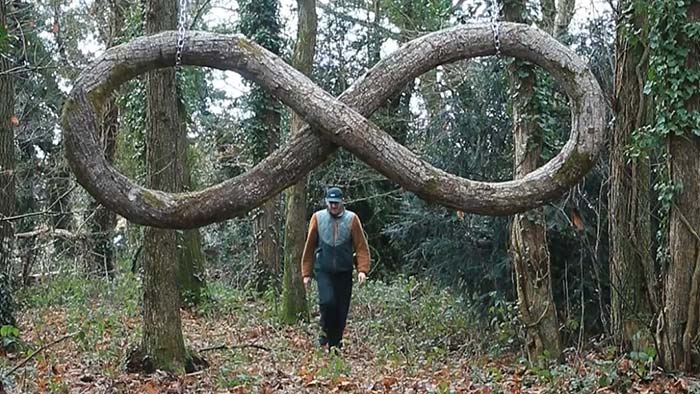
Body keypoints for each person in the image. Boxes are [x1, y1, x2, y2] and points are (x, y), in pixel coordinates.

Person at [301, 186, 370, 352]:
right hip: (323, 270)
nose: (333, 206)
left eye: (336, 203)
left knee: (341, 310)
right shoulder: (318, 218)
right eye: (330, 203)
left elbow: (361, 246)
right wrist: (306, 273)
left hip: (344, 271)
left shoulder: (352, 219)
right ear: (326, 202)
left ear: (342, 203)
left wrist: (362, 270)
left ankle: (335, 343)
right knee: (327, 302)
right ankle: (325, 330)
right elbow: (309, 246)